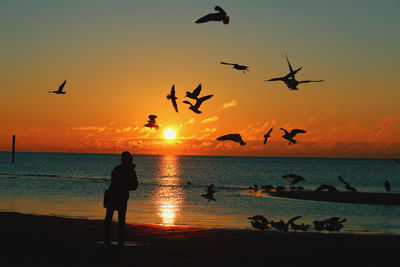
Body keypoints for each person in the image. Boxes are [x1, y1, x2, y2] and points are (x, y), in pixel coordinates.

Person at [104, 151, 138, 246]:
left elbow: (134, 186)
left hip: (114, 194)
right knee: (120, 218)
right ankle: (119, 238)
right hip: (120, 196)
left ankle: (108, 237)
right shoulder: (128, 171)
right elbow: (134, 186)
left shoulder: (117, 169)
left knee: (110, 217)